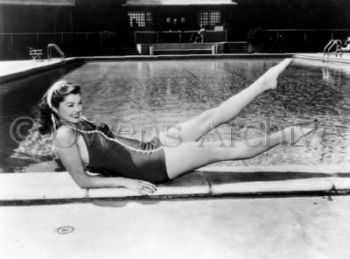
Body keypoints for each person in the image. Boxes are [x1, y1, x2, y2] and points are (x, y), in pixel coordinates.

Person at [36, 59, 316, 195]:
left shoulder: (75, 123)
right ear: (55, 109)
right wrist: (124, 181)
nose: (77, 109)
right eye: (70, 106)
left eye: (78, 102)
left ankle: (264, 82)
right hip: (150, 166)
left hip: (152, 147)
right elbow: (82, 181)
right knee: (222, 148)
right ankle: (288, 135)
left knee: (212, 115)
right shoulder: (64, 134)